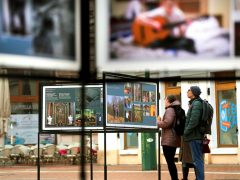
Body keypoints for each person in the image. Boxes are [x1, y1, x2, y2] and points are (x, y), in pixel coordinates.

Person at [158, 95, 181, 180]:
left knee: (170, 162)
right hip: (172, 139)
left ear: (168, 100)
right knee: (170, 161)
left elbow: (167, 123)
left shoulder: (170, 110)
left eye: (165, 100)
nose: (164, 101)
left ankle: (175, 179)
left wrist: (157, 122)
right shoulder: (173, 109)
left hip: (169, 140)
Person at [183, 86, 204, 180]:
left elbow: (194, 121)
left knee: (197, 160)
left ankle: (200, 179)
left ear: (194, 93)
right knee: (197, 160)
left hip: (195, 136)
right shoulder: (194, 103)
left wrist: (186, 131)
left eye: (189, 90)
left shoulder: (196, 104)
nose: (187, 92)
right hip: (194, 136)